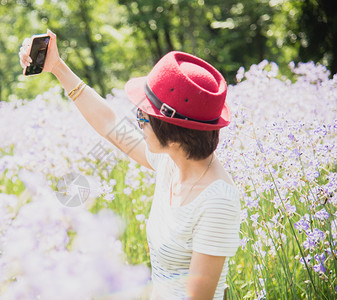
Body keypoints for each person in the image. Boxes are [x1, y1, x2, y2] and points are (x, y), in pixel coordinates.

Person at [19, 29, 241, 300]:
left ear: (173, 134)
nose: (137, 122)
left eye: (143, 117)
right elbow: (110, 123)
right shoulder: (172, 161)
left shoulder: (217, 201)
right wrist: (56, 66)